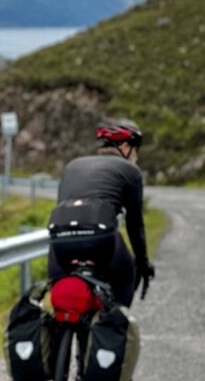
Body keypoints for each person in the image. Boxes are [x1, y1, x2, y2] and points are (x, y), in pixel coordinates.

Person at [47, 118, 153, 306]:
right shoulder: (130, 170)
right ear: (126, 147)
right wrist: (143, 264)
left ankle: (58, 331)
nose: (136, 155)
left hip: (60, 240)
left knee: (59, 296)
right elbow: (134, 224)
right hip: (100, 239)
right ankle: (117, 326)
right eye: (136, 148)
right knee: (126, 277)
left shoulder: (72, 165)